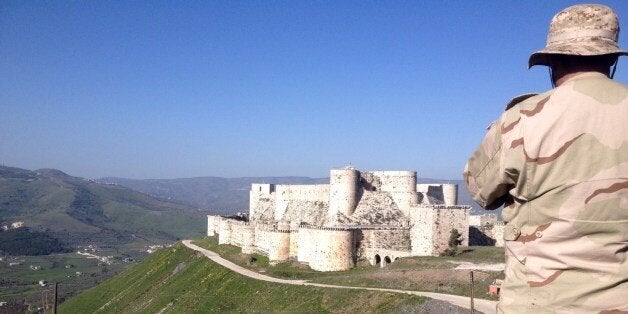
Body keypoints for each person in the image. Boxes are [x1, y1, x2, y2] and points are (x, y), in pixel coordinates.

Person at [464, 4, 627, 313]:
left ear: (551, 62)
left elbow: (478, 189)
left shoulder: (521, 120)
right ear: (612, 60)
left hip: (537, 303)